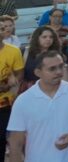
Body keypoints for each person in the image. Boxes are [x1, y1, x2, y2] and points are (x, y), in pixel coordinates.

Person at [8, 51, 68, 162]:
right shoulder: (23, 101)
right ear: (38, 72)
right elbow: (15, 144)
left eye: (61, 66)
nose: (58, 72)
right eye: (52, 69)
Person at [0, 18, 23, 150]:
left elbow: (19, 73)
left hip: (5, 102)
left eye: (2, 29)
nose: (1, 31)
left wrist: (9, 85)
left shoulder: (14, 51)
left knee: (2, 137)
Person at [21, 26, 62, 93]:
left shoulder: (56, 54)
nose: (48, 39)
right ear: (37, 38)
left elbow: (62, 74)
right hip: (28, 90)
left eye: (51, 37)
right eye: (44, 37)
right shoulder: (25, 52)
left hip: (52, 89)